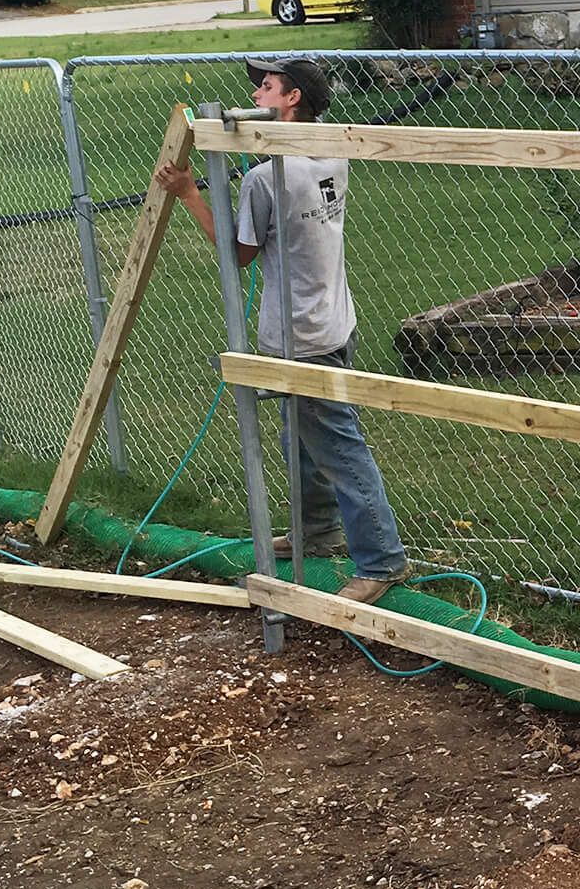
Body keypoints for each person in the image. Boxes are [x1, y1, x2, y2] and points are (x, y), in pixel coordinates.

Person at [156, 54, 408, 606]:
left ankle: (382, 560)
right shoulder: (331, 149)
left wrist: (190, 194)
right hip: (336, 320)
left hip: (299, 334)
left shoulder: (265, 177)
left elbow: (237, 253)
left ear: (292, 100)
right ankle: (315, 533)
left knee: (338, 450)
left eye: (266, 88)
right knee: (303, 440)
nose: (256, 97)